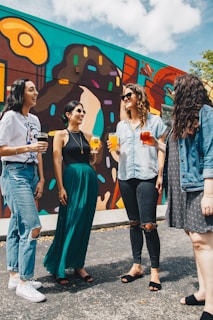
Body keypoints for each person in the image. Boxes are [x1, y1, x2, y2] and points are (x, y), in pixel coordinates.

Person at [108, 83, 167, 291]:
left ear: (139, 96)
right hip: (126, 177)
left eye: (128, 95)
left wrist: (160, 174)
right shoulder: (121, 126)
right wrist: (113, 151)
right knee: (134, 223)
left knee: (148, 225)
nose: (125, 99)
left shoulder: (155, 121)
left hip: (147, 176)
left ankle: (155, 272)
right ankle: (137, 266)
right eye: (123, 97)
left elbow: (162, 149)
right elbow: (118, 155)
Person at [164, 74, 213, 320]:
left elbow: (211, 152)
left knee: (202, 240)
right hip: (181, 187)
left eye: (175, 90)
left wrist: (210, 193)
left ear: (186, 90)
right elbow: (176, 152)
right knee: (193, 238)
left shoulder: (205, 113)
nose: (172, 94)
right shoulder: (179, 118)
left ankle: (212, 304)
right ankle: (204, 291)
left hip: (199, 188)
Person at [0, 78, 48, 302]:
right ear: (20, 93)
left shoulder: (36, 120)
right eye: (31, 89)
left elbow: (39, 150)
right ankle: (25, 282)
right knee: (32, 226)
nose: (36, 92)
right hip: (14, 173)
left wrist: (41, 177)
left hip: (30, 174)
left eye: (36, 89)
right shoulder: (10, 116)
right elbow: (1, 149)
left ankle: (14, 274)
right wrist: (28, 147)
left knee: (16, 224)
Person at [43, 100, 100, 284]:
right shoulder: (60, 135)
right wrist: (60, 187)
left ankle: (79, 265)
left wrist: (95, 152)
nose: (82, 114)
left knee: (84, 223)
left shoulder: (89, 135)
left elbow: (92, 161)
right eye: (78, 111)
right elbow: (57, 161)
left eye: (83, 111)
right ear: (68, 114)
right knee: (69, 222)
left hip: (88, 179)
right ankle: (59, 266)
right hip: (71, 179)